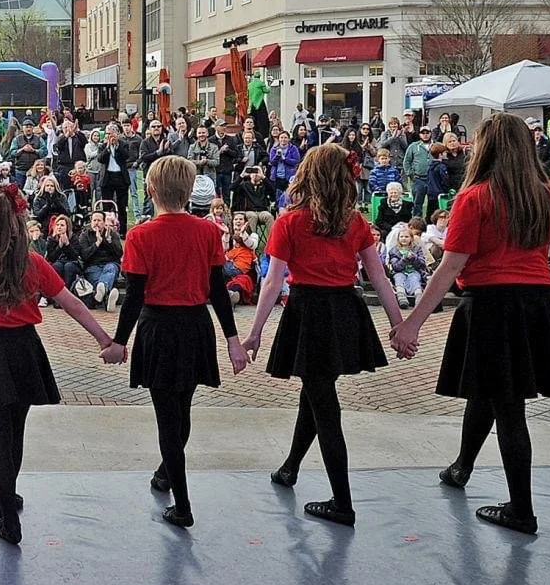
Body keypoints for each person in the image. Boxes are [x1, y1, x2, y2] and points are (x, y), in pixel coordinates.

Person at [391, 115, 550, 536]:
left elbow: (452, 264)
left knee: (507, 408)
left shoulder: (474, 198)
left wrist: (412, 323)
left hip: (490, 307)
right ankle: (461, 467)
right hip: (534, 307)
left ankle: (521, 510)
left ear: (485, 148)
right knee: (490, 394)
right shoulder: (542, 195)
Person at [0, 183, 121, 544]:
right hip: (24, 350)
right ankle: (7, 495)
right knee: (16, 431)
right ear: (20, 222)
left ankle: (5, 507)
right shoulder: (32, 263)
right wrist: (104, 339)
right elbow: (73, 304)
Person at [241, 145, 405, 527]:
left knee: (324, 406)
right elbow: (378, 277)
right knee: (314, 394)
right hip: (345, 311)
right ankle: (290, 468)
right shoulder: (355, 221)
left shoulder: (290, 222)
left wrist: (255, 333)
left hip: (309, 313)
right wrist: (398, 324)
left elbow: (272, 282)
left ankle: (342, 502)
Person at [110, 156, 241, 528]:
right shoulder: (208, 232)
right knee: (181, 410)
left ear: (150, 190)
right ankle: (166, 474)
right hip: (196, 327)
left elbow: (134, 296)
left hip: (158, 329)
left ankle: (182, 505)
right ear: (189, 192)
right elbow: (218, 291)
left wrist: (120, 341)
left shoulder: (139, 235)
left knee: (167, 419)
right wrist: (232, 339)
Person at [386, 228, 430, 307]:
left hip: (414, 271)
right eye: (401, 236)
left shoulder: (417, 249)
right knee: (399, 278)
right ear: (398, 238)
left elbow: (422, 264)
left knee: (414, 279)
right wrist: (405, 259)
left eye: (406, 237)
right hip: (400, 272)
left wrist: (414, 258)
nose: (404, 239)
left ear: (411, 238)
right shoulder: (394, 251)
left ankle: (419, 298)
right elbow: (396, 267)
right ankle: (402, 298)